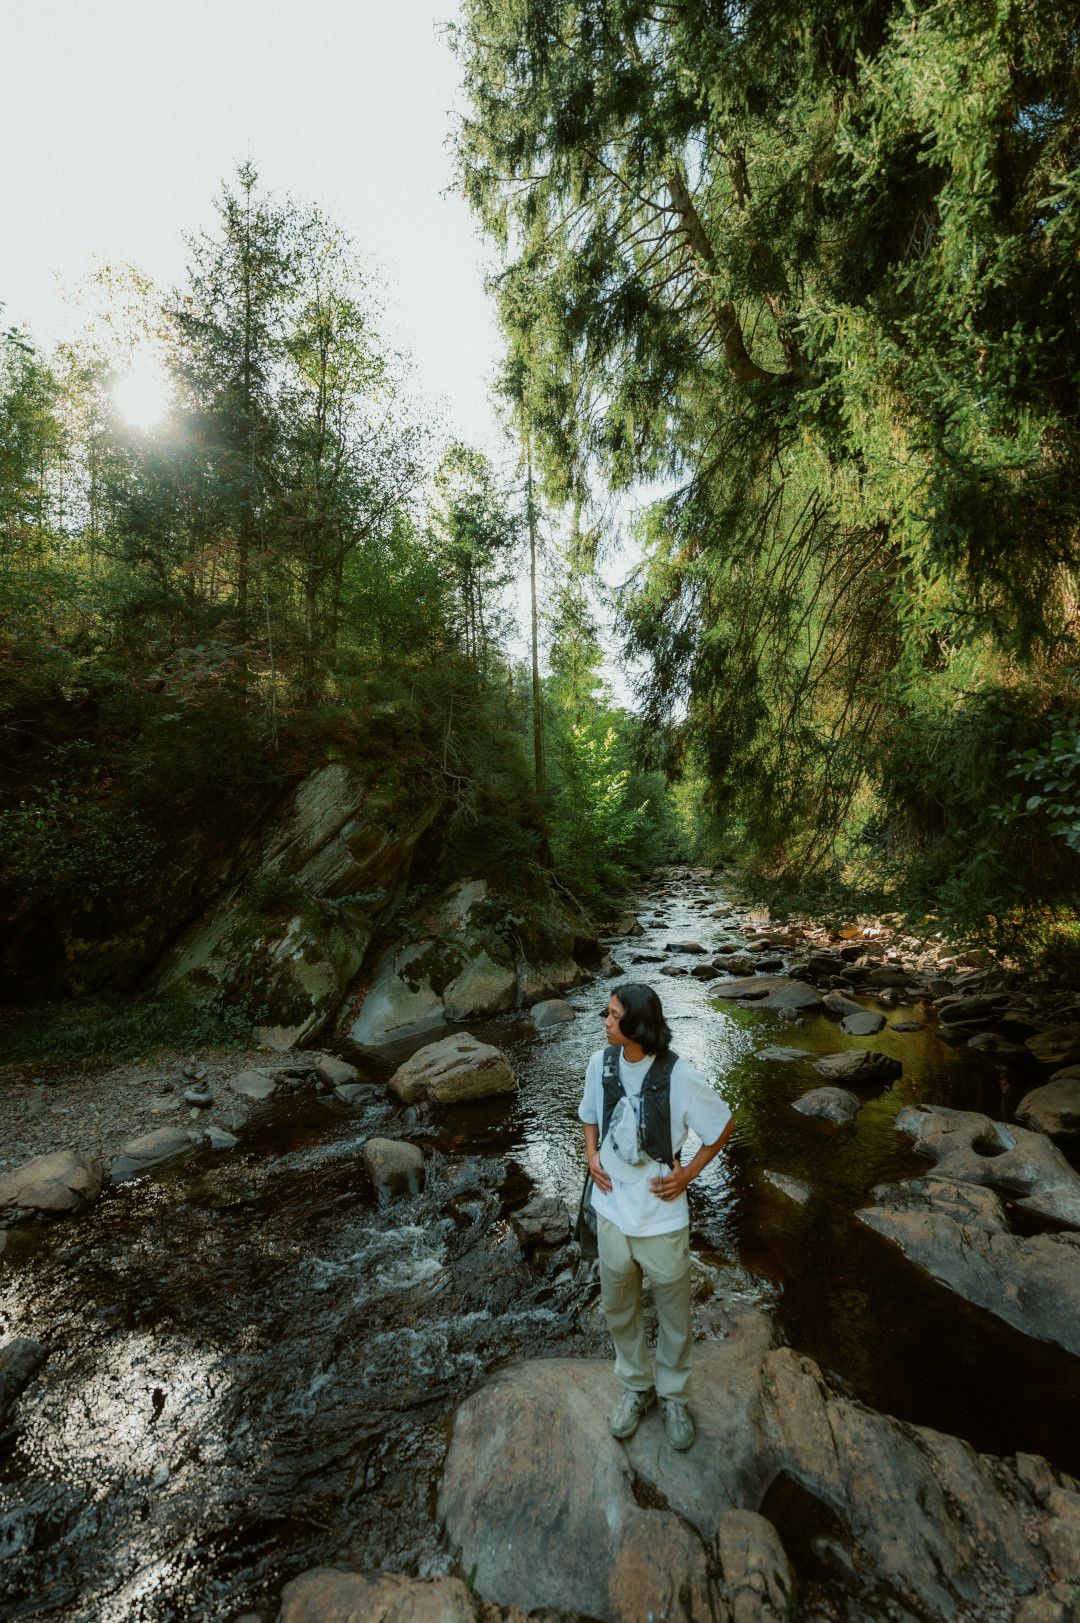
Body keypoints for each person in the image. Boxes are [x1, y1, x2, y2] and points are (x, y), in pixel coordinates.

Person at [579, 982, 734, 1451]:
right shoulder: (599, 1064)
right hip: (610, 1210)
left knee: (673, 1312)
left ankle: (673, 1395)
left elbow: (722, 1125)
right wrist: (591, 1156)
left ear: (636, 1025)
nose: (604, 1022)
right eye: (606, 1014)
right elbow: (589, 1115)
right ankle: (637, 1385)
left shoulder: (679, 1075)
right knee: (618, 1306)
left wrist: (686, 1175)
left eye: (611, 1015)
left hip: (662, 1216)